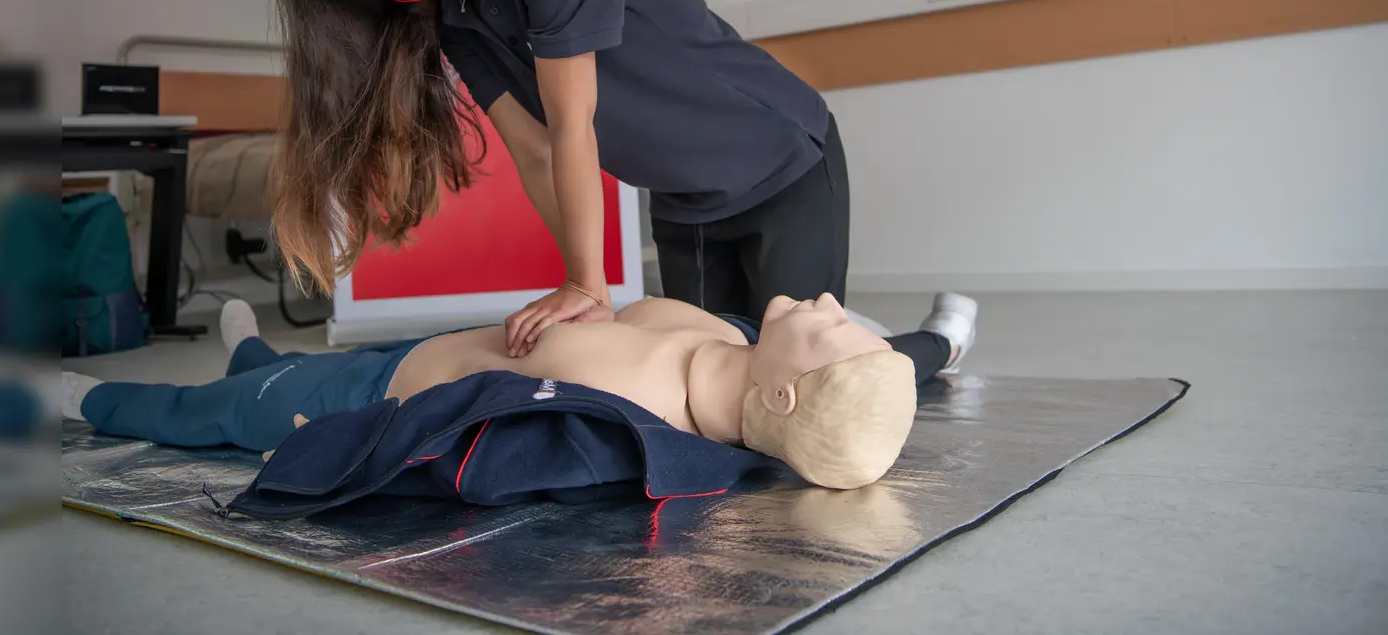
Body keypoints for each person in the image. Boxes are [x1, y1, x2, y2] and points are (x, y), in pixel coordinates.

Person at [264, 0, 850, 354]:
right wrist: (582, 286)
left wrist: (588, 286)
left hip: (779, 162)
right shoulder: (457, 18)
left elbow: (572, 121)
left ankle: (939, 341)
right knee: (711, 379)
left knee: (805, 377)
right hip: (685, 203)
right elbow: (536, 151)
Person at [61, 293, 980, 489]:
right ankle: (250, 344)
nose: (826, 303)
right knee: (266, 372)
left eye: (829, 327)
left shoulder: (634, 397)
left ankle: (73, 401)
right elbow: (625, 306)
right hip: (428, 347)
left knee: (216, 415)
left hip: (374, 389)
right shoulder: (732, 346)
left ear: (781, 399)